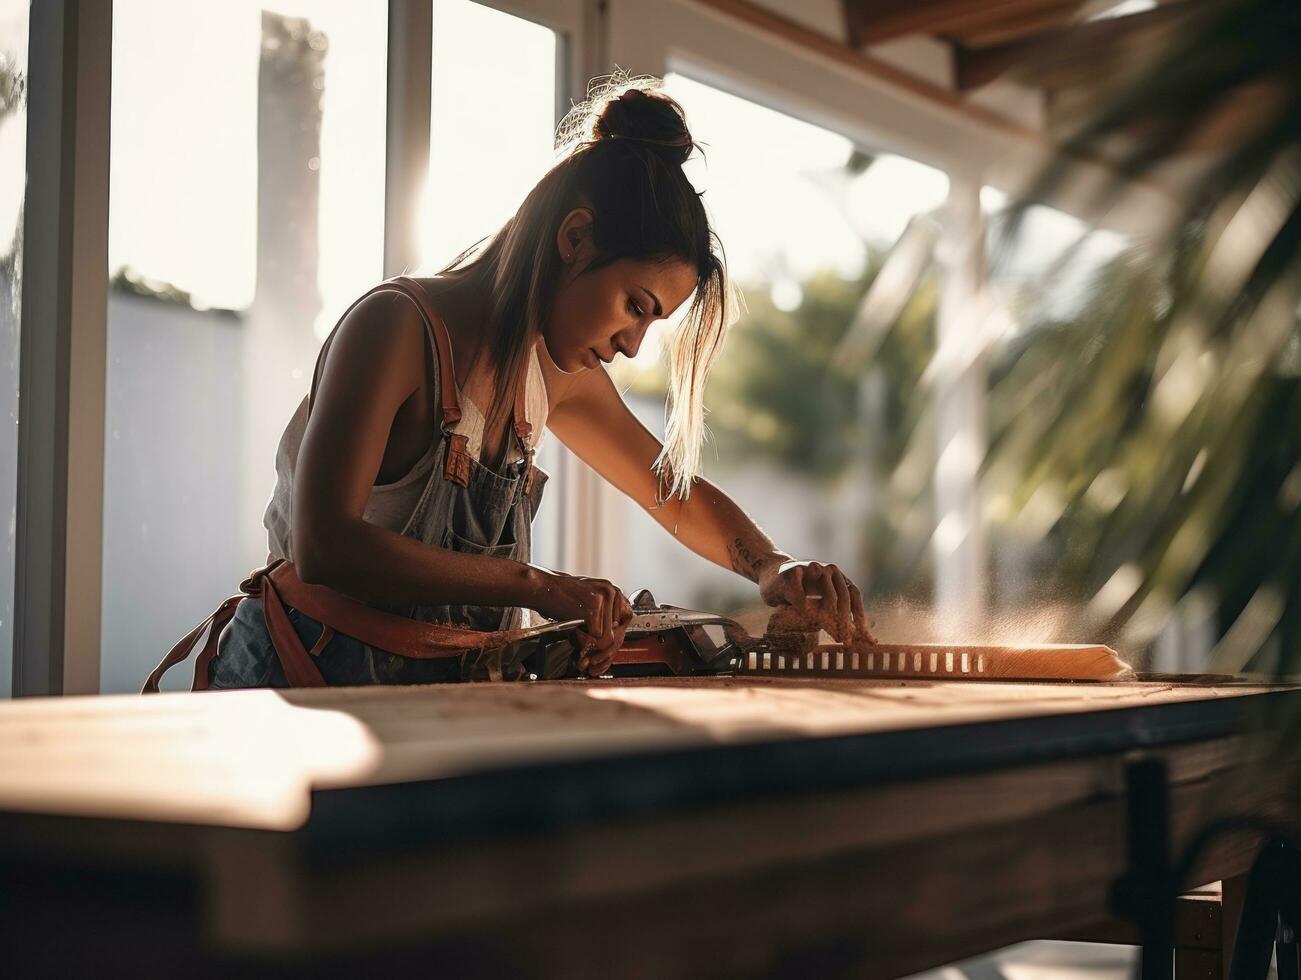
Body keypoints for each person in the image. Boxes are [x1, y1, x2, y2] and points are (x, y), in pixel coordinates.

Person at [147, 72, 871, 692]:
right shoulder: (397, 328)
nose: (630, 345)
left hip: (430, 697)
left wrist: (771, 565)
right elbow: (325, 542)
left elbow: (671, 497)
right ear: (574, 238)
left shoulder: (552, 377)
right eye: (635, 308)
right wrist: (539, 589)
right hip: (298, 679)